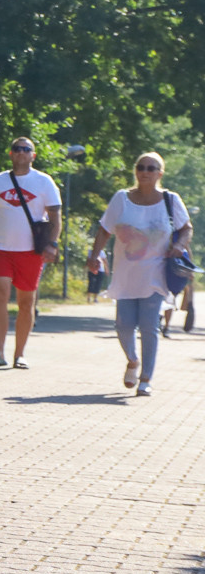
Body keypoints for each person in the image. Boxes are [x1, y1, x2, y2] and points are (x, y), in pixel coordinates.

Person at [86, 152, 192, 396]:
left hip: (156, 274)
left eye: (151, 168)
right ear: (136, 171)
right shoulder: (122, 199)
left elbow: (185, 228)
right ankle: (133, 361)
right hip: (125, 275)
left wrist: (179, 245)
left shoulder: (170, 200)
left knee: (149, 326)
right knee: (123, 325)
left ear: (159, 174)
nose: (145, 171)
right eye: (141, 166)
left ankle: (146, 379)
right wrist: (94, 256)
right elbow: (104, 230)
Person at [0, 137, 61, 370]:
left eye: (26, 149)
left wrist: (53, 244)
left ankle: (20, 354)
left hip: (30, 252)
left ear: (33, 155)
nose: (21, 152)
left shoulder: (44, 182)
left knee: (26, 301)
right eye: (17, 149)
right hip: (0, 249)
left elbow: (56, 216)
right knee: (0, 295)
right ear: (11, 154)